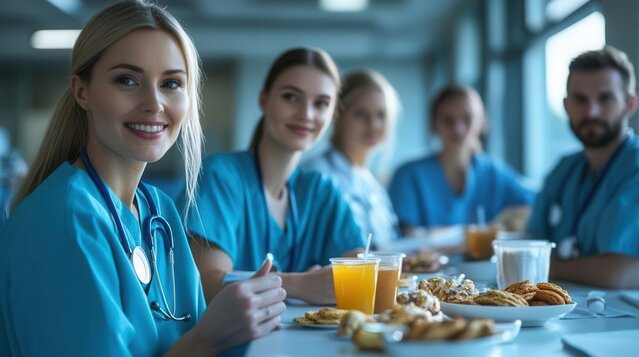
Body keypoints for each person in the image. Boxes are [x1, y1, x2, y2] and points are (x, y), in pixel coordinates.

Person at [0, 1, 285, 357]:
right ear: (82, 91)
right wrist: (211, 336)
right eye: (127, 80)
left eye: (171, 83)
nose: (153, 103)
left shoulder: (159, 210)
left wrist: (241, 321)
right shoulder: (63, 222)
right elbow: (198, 342)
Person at [181, 48, 365, 305]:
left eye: (321, 103)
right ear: (264, 100)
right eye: (291, 97)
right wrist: (299, 284)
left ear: (332, 114)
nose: (306, 114)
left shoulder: (320, 190)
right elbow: (209, 284)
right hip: (231, 343)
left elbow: (361, 267)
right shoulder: (221, 176)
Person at [527, 46, 639, 289]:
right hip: (564, 312)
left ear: (629, 104)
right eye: (580, 100)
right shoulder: (564, 170)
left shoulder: (637, 168)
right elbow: (530, 240)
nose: (591, 111)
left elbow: (621, 274)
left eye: (605, 98)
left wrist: (548, 265)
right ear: (567, 106)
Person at [388, 85, 534, 237]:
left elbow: (534, 204)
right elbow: (405, 236)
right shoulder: (408, 175)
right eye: (448, 120)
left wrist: (506, 222)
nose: (458, 129)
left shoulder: (494, 173)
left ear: (482, 123)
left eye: (467, 119)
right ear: (433, 124)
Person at [303, 69, 400, 246]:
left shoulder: (373, 184)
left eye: (381, 115)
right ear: (337, 116)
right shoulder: (316, 174)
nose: (374, 124)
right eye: (361, 114)